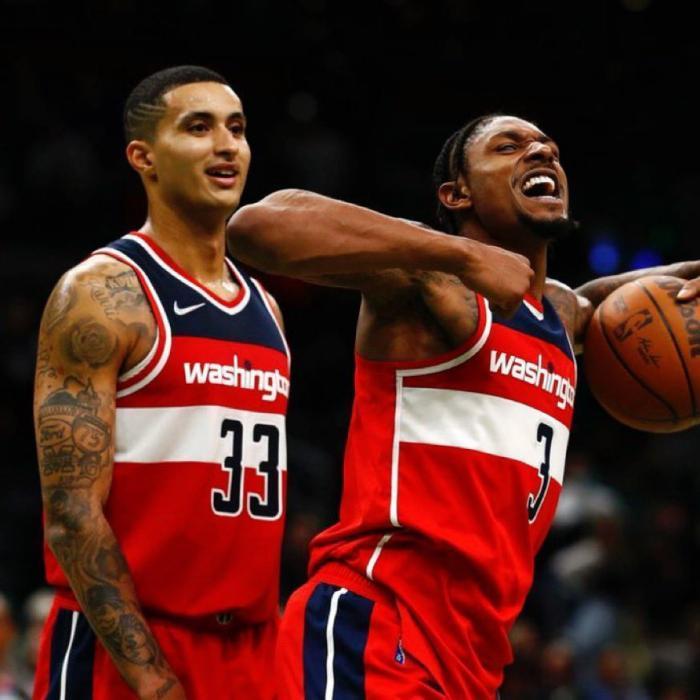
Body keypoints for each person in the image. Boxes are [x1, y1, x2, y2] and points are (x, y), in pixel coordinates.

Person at [227, 114, 700, 698]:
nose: (540, 152)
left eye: (548, 147)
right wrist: (462, 256)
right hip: (376, 627)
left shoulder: (561, 315)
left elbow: (629, 297)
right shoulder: (430, 280)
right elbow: (255, 226)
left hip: (470, 660)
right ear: (457, 194)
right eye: (509, 146)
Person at [33, 66, 290, 700]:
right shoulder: (101, 293)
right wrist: (154, 682)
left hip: (252, 651)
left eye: (236, 129)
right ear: (143, 157)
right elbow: (71, 514)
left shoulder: (266, 308)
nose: (226, 146)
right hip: (126, 649)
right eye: (198, 128)